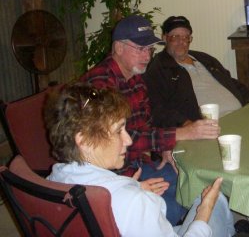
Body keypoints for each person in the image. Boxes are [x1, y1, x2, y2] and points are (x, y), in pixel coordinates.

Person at [45, 83, 235, 237]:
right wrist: (204, 211)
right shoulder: (133, 202)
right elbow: (127, 204)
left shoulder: (53, 180)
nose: (128, 140)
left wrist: (130, 185)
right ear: (84, 141)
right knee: (215, 198)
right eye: (119, 131)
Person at [80, 15, 205, 225]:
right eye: (140, 48)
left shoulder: (137, 78)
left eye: (150, 49)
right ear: (118, 48)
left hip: (141, 162)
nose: (147, 56)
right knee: (174, 207)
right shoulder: (99, 84)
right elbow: (121, 139)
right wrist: (183, 133)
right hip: (113, 175)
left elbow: (147, 123)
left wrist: (165, 149)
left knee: (195, 186)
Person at [144, 15, 249, 129]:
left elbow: (230, 82)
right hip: (212, 127)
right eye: (175, 37)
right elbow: (158, 108)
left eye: (186, 37)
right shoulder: (158, 69)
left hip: (242, 116)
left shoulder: (204, 58)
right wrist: (185, 124)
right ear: (165, 38)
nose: (181, 42)